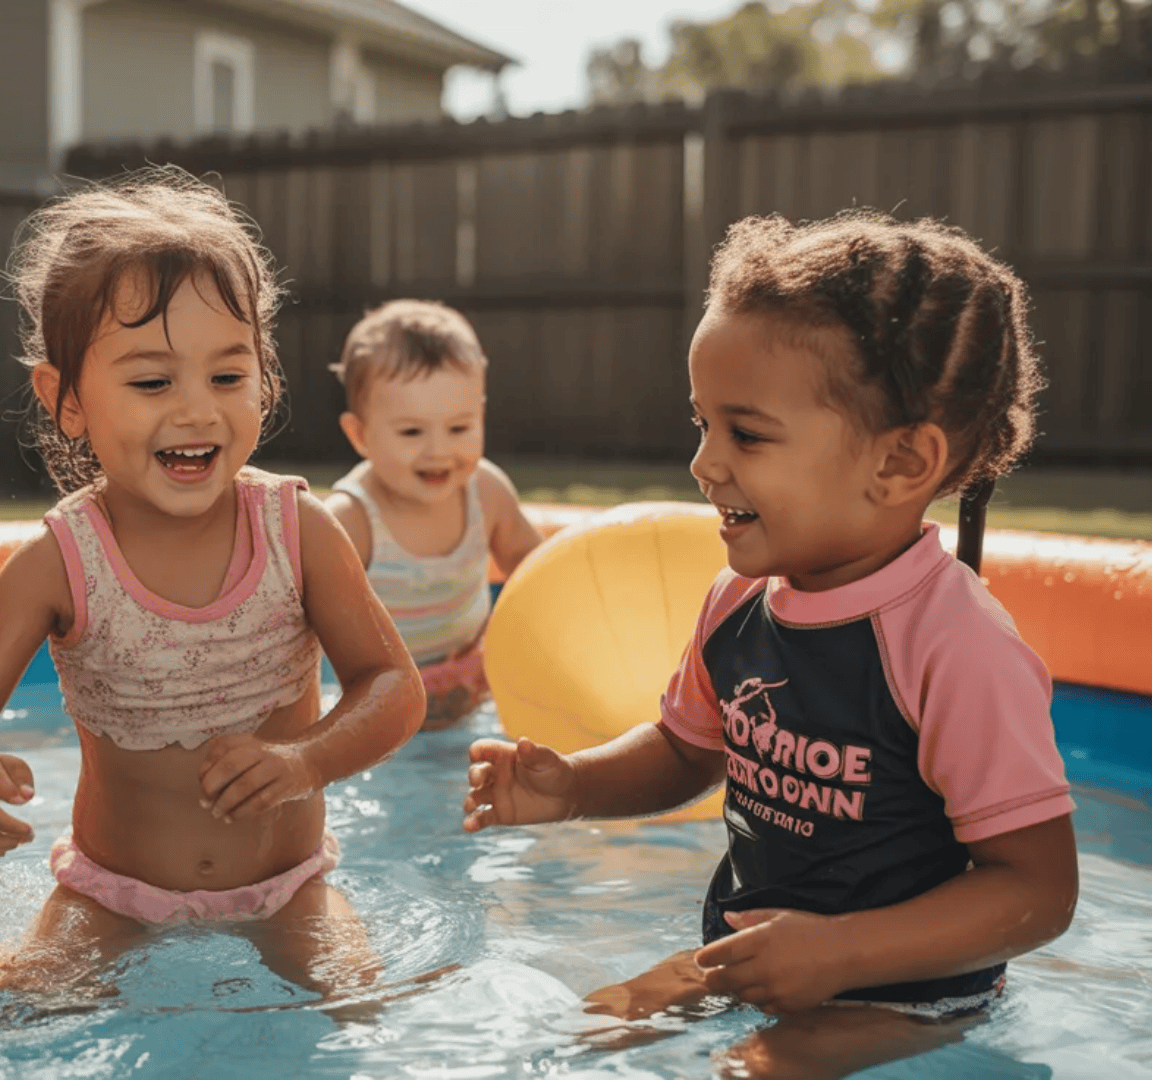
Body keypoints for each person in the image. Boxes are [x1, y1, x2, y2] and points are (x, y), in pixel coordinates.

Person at [461, 212, 1078, 1078]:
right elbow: (687, 750)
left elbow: (1038, 891)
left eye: (746, 434)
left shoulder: (956, 647)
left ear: (901, 464)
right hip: (750, 956)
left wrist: (843, 953)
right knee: (583, 1040)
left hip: (900, 992)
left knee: (751, 1072)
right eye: (702, 424)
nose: (703, 463)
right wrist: (573, 786)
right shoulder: (738, 600)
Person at [0, 169, 425, 997]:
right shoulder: (62, 562)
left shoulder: (297, 531)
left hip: (289, 886)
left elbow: (394, 687)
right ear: (67, 399)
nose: (196, 411)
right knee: (25, 1007)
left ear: (264, 379)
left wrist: (305, 760)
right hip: (111, 894)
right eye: (152, 382)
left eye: (227, 377)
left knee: (356, 997)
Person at [324, 300, 543, 728]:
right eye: (411, 431)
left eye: (459, 428)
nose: (439, 450)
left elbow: (538, 574)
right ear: (360, 435)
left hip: (472, 698)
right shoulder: (352, 521)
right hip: (378, 716)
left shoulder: (486, 493)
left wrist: (501, 649)